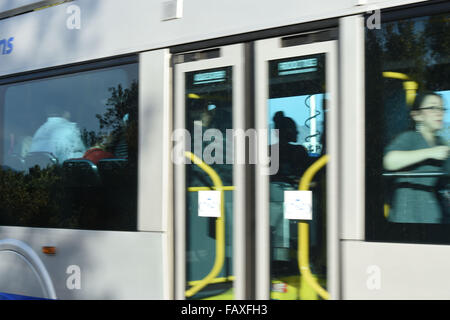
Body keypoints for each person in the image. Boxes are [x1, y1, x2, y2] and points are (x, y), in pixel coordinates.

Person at [383, 91, 449, 223]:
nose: (439, 112)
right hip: (409, 216)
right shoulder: (409, 137)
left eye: (441, 108)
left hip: (434, 214)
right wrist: (430, 152)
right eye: (432, 107)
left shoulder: (441, 143)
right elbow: (389, 161)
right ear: (417, 115)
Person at [270, 111, 311, 184]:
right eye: (295, 128)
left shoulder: (269, 151)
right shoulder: (299, 151)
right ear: (288, 131)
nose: (297, 132)